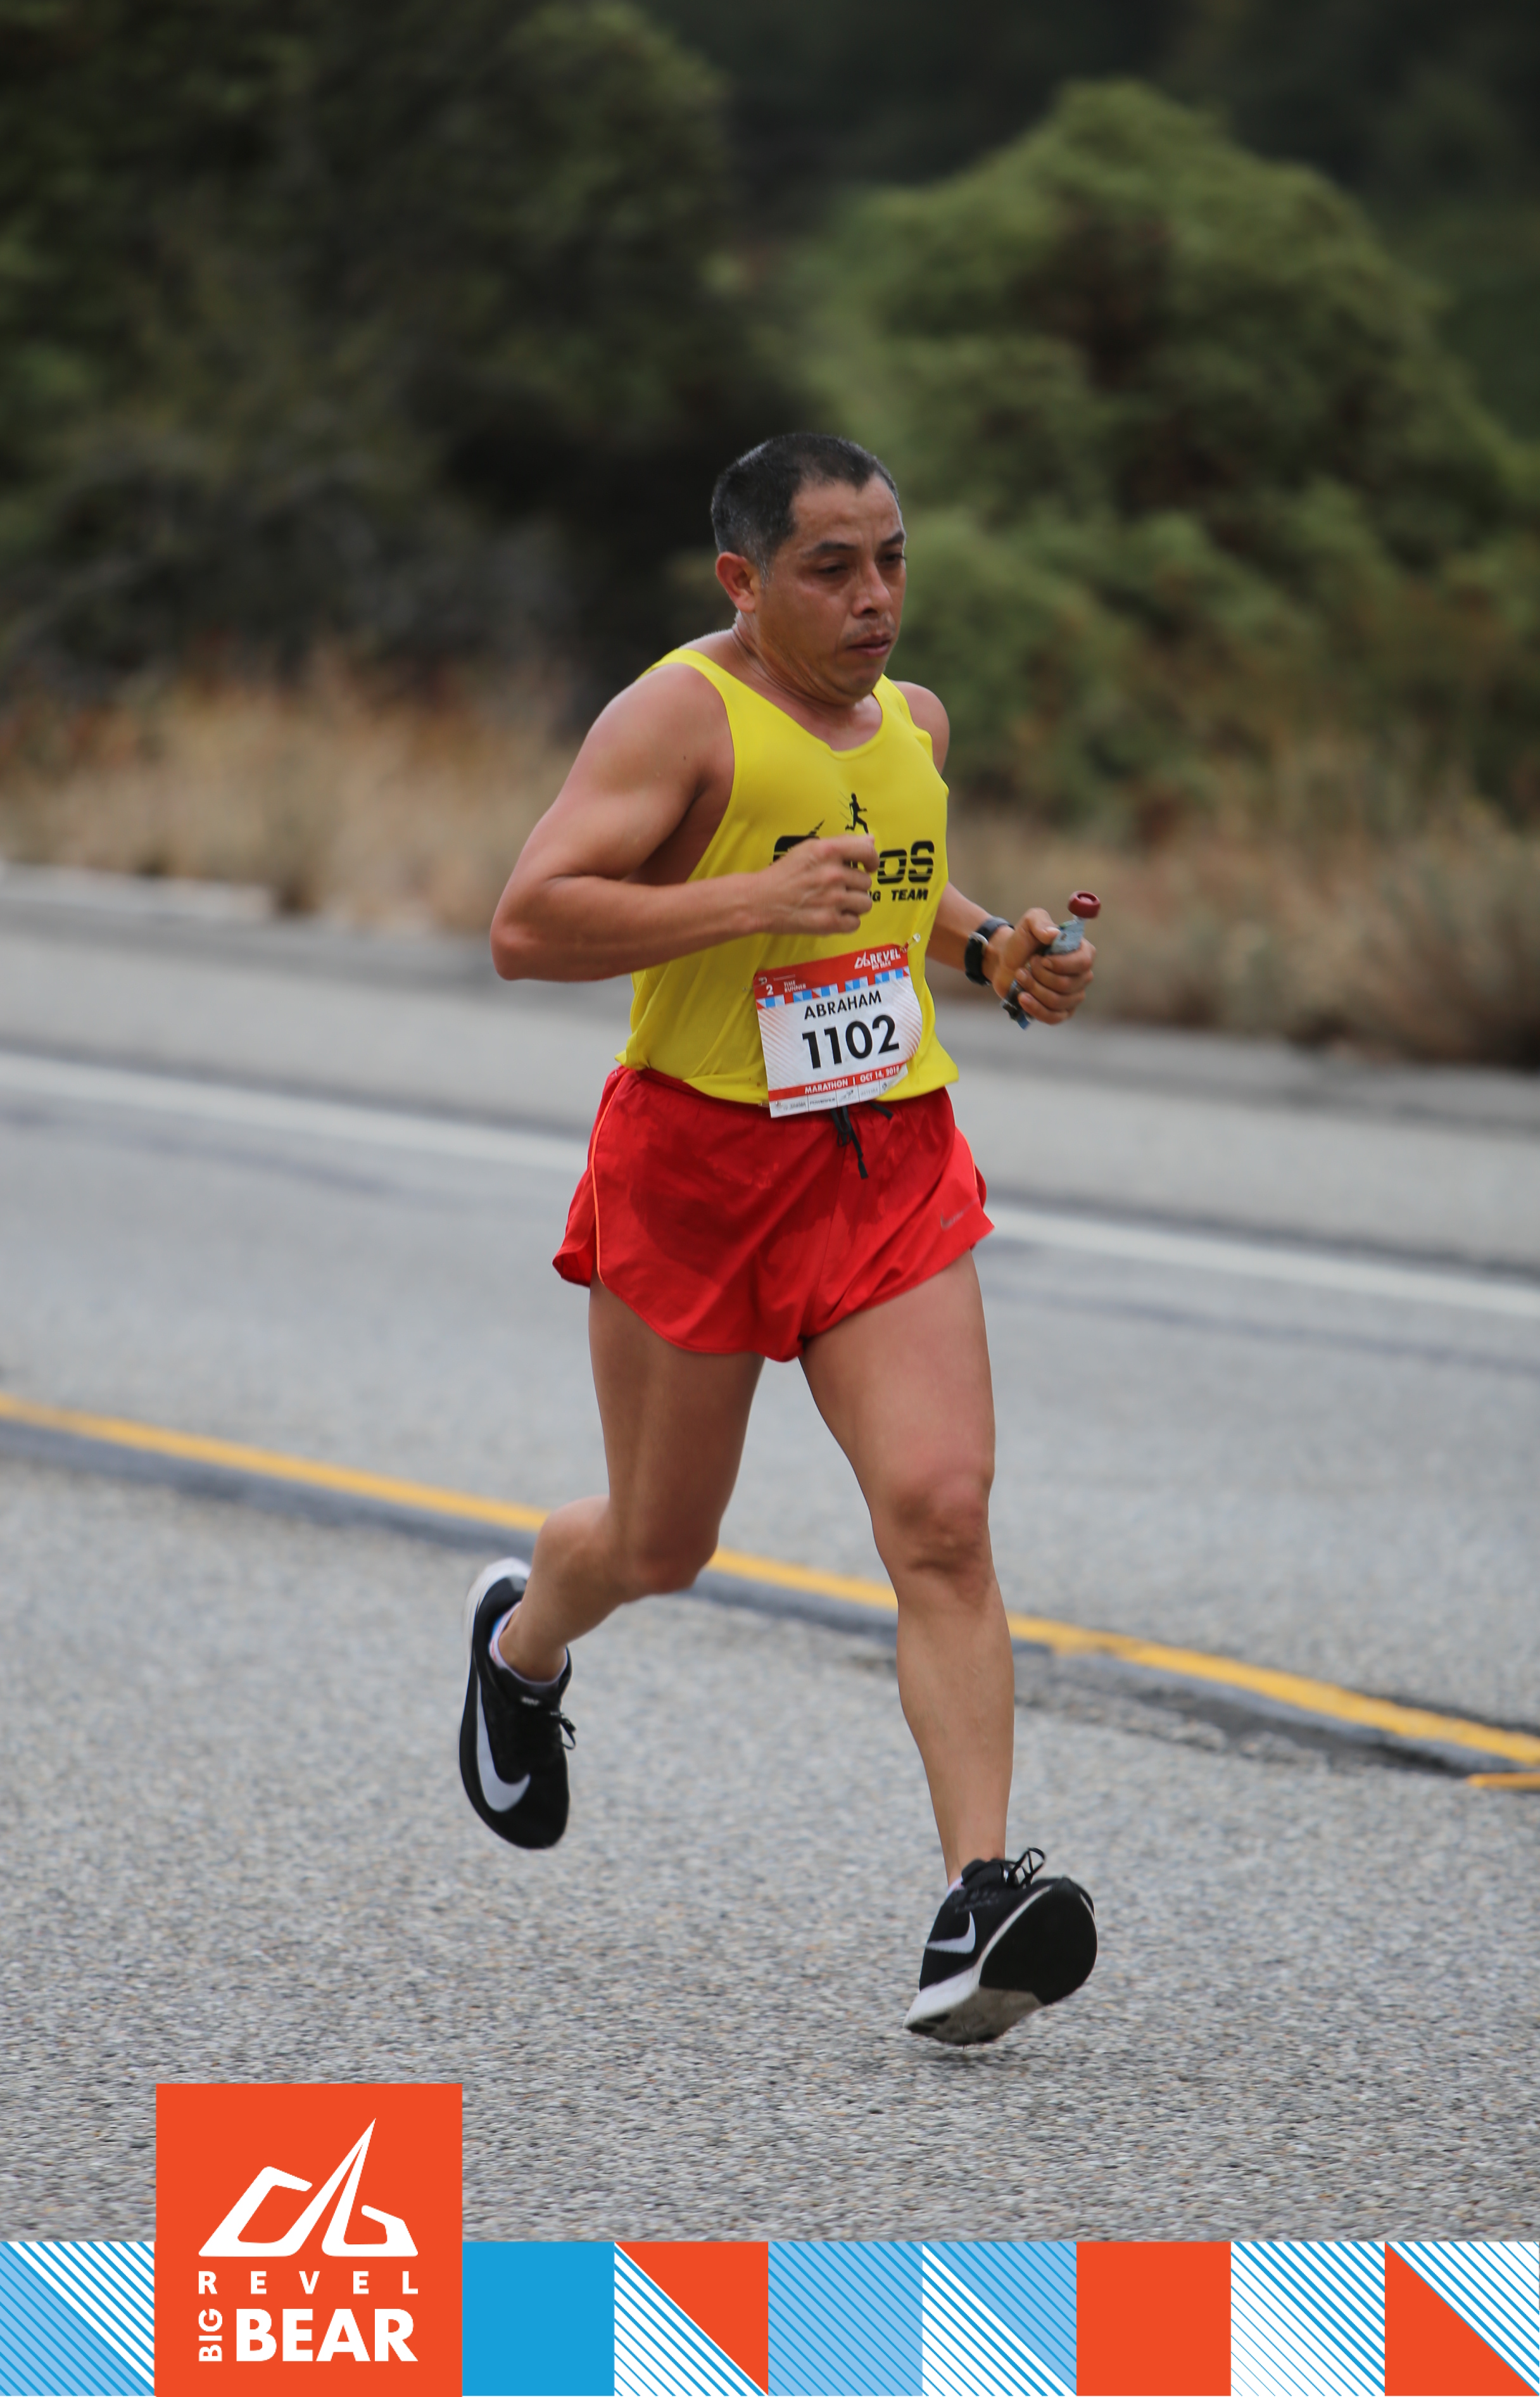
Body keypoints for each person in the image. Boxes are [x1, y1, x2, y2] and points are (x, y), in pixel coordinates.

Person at [460, 432, 1099, 2046]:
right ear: (742, 581)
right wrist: (746, 901)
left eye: (891, 560)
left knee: (942, 1518)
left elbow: (893, 886)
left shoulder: (915, 724)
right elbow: (528, 923)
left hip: (886, 1159)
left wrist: (992, 950)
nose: (874, 597)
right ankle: (523, 1641)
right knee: (658, 1548)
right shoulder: (676, 718)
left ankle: (978, 1903)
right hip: (698, 1170)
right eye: (831, 568)